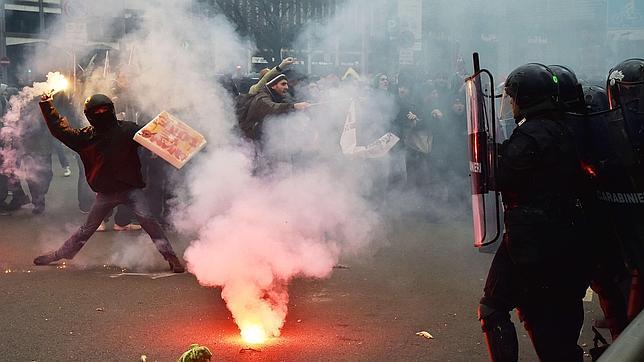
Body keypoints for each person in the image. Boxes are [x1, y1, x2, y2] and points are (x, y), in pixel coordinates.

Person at [478, 63, 591, 361]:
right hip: (568, 235)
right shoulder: (566, 128)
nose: (510, 104)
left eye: (513, 97)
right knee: (554, 325)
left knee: (495, 307)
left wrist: (488, 156)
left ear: (526, 98)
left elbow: (504, 177)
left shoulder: (530, 134)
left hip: (532, 239)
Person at [33, 93, 184, 272]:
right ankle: (59, 254)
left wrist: (177, 132)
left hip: (130, 190)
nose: (101, 113)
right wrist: (46, 104)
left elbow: (154, 134)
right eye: (97, 111)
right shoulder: (85, 137)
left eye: (104, 109)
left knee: (149, 221)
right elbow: (59, 129)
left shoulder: (128, 130)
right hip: (106, 193)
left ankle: (171, 257)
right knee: (86, 230)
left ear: (111, 110)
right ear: (90, 115)